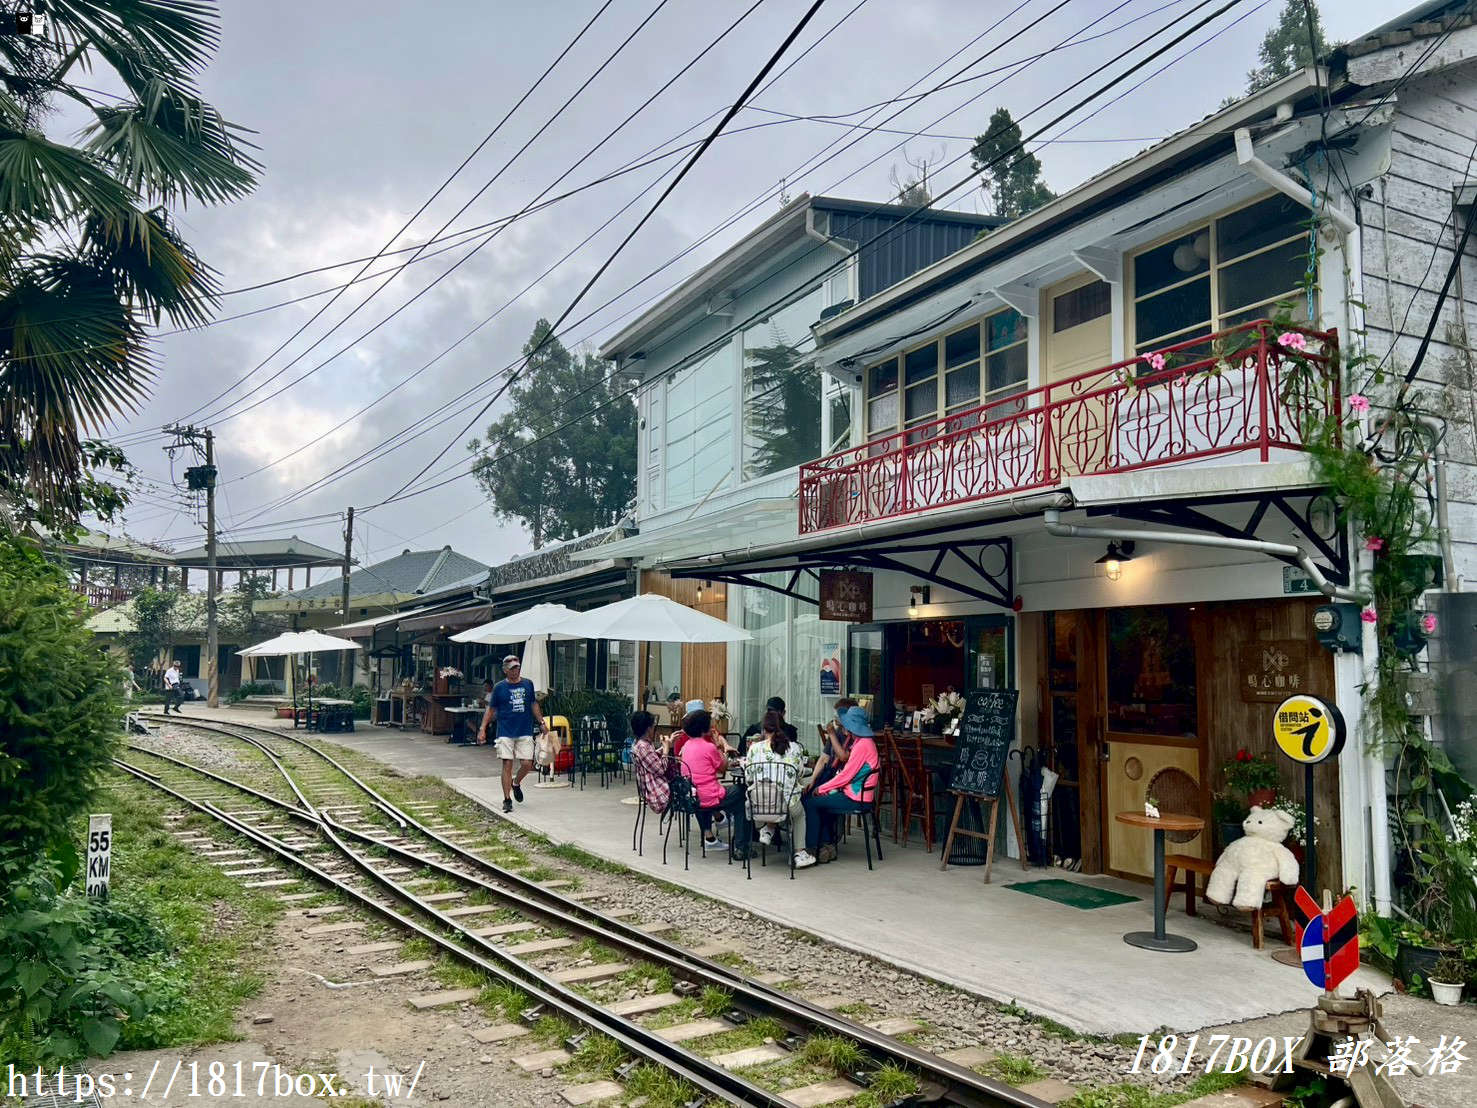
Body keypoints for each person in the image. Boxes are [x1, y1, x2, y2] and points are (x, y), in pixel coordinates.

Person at [795, 706, 879, 869]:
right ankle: (826, 844)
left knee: (811, 802)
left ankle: (812, 849)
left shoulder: (863, 745)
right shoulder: (862, 742)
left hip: (856, 798)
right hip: (856, 794)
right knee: (820, 802)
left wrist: (823, 788)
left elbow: (846, 775)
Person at [478, 655, 547, 813]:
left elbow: (533, 704)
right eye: (512, 669)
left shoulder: (528, 684)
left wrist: (541, 722)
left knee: (526, 764)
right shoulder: (499, 687)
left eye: (517, 667)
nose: (515, 671)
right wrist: (483, 728)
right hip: (505, 731)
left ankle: (516, 783)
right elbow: (491, 709)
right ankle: (507, 799)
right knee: (507, 764)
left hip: (524, 729)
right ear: (505, 670)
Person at [678, 709, 749, 854]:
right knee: (742, 793)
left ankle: (719, 825)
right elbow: (722, 768)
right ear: (704, 729)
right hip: (709, 796)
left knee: (714, 792)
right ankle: (741, 847)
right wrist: (718, 745)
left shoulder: (686, 747)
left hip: (692, 795)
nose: (713, 726)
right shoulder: (709, 747)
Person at [744, 710, 807, 851]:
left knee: (772, 800)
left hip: (760, 803)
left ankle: (769, 828)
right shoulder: (795, 748)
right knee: (799, 815)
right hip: (786, 803)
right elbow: (799, 773)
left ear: (764, 728)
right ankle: (799, 853)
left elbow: (748, 776)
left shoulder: (754, 748)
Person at [629, 710, 675, 815]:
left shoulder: (640, 744)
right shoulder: (643, 747)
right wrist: (666, 749)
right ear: (649, 728)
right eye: (653, 725)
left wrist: (667, 745)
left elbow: (651, 757)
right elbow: (661, 769)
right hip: (657, 792)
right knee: (689, 790)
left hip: (652, 787)